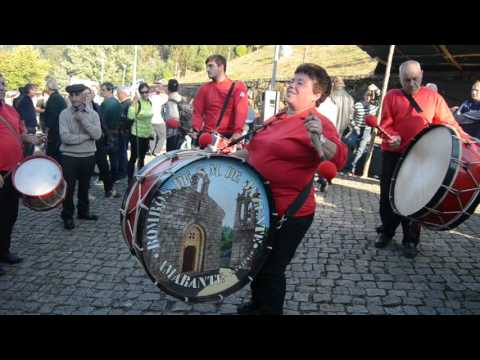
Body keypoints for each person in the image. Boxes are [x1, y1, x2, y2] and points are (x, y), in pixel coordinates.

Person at [234, 63, 347, 315]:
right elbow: (255, 151)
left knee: (273, 268)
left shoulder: (318, 122)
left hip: (290, 212)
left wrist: (323, 140)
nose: (291, 85)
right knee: (257, 262)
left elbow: (338, 158)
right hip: (261, 205)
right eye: (292, 80)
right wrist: (227, 157)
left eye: (300, 83)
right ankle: (257, 305)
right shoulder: (279, 117)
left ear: (317, 94)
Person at [376, 60, 470, 258]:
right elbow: (385, 123)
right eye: (406, 80)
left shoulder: (433, 97)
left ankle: (411, 239)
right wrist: (390, 135)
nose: (411, 84)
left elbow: (448, 123)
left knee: (415, 196)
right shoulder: (391, 96)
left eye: (415, 79)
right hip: (393, 153)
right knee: (388, 195)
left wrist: (467, 140)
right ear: (399, 79)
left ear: (422, 74)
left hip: (421, 155)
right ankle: (386, 231)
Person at [0, 73, 45, 275]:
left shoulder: (10, 109)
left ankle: (4, 252)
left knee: (10, 215)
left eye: (3, 84)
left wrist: (32, 139)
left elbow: (19, 134)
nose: (1, 87)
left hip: (13, 171)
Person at [59, 84, 102, 230]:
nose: (74, 98)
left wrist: (83, 119)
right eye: (71, 95)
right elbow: (65, 138)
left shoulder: (93, 114)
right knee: (69, 189)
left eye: (77, 95)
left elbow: (97, 135)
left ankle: (83, 212)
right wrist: (85, 136)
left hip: (88, 156)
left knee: (84, 187)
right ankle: (67, 216)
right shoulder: (64, 114)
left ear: (84, 96)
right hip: (69, 157)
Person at [192, 54, 248, 143]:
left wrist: (237, 132)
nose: (207, 70)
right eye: (207, 67)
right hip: (207, 138)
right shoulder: (204, 89)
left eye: (211, 66)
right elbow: (197, 112)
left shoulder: (237, 87)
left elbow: (241, 111)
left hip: (228, 139)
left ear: (221, 67)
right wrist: (195, 129)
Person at [85, 88, 116, 198]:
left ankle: (109, 189)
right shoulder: (79, 109)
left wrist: (106, 134)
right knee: (87, 168)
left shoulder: (96, 106)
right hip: (86, 142)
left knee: (104, 165)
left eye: (90, 93)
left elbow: (102, 122)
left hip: (99, 141)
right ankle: (85, 192)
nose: (88, 96)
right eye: (86, 94)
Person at [343, 88, 380, 175]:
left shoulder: (374, 107)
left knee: (361, 150)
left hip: (367, 130)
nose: (368, 97)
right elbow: (350, 116)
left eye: (371, 96)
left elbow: (380, 96)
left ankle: (352, 168)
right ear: (364, 95)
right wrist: (355, 126)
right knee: (350, 145)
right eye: (367, 95)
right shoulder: (358, 105)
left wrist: (375, 89)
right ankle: (346, 166)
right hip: (357, 128)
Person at [127, 82, 154, 184]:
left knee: (142, 158)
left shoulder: (149, 103)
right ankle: (130, 179)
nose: (144, 94)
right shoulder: (137, 103)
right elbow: (130, 117)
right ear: (139, 93)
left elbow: (149, 120)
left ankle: (141, 177)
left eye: (146, 92)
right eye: (142, 92)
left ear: (149, 91)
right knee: (134, 157)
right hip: (136, 135)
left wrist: (151, 132)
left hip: (146, 135)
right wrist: (133, 103)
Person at [99, 82, 123, 184]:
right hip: (116, 133)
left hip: (106, 134)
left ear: (110, 90)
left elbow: (101, 120)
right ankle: (114, 177)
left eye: (103, 90)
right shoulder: (117, 103)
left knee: (103, 158)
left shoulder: (105, 103)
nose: (101, 92)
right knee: (114, 157)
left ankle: (104, 179)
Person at [164, 79, 192, 151]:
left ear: (168, 88)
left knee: (171, 156)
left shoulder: (170, 102)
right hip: (183, 132)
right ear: (178, 88)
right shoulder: (183, 99)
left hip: (173, 134)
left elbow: (171, 121)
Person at [44, 79, 67, 164]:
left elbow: (52, 116)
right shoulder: (58, 97)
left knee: (53, 157)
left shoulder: (54, 98)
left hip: (55, 133)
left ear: (48, 87)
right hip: (58, 131)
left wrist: (46, 131)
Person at [16, 83, 38, 156]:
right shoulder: (25, 99)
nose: (36, 92)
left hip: (29, 128)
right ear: (30, 90)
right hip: (28, 128)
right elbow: (22, 116)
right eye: (34, 90)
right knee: (27, 152)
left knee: (29, 151)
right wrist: (24, 130)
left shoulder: (27, 98)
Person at [116, 86, 132, 180]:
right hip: (123, 131)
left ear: (123, 94)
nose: (117, 95)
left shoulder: (127, 104)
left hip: (124, 131)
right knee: (121, 151)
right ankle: (122, 170)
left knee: (122, 151)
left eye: (118, 94)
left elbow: (128, 119)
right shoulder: (125, 103)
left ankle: (123, 171)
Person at [150, 79, 168, 155]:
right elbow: (166, 97)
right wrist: (162, 90)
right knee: (162, 136)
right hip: (159, 120)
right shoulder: (162, 98)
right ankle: (157, 151)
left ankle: (151, 150)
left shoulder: (151, 97)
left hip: (151, 119)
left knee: (153, 136)